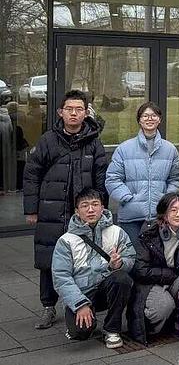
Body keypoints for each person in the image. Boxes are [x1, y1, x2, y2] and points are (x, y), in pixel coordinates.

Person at [24, 90, 107, 330]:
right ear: (61, 112)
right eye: (69, 109)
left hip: (82, 211)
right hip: (52, 209)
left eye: (79, 109)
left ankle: (82, 302)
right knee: (49, 257)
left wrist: (99, 207)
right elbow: (31, 174)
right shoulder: (48, 140)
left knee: (84, 256)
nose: (74, 113)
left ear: (86, 113)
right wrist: (31, 209)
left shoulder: (94, 142)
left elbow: (101, 177)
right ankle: (48, 306)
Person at [50, 188, 135, 349]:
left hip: (106, 288)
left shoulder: (116, 232)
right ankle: (85, 316)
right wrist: (80, 304)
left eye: (95, 204)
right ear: (77, 211)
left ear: (102, 208)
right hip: (81, 292)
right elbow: (61, 277)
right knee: (80, 333)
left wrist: (119, 264)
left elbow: (131, 258)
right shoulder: (66, 240)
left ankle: (112, 329)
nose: (90, 209)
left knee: (122, 279)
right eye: (85, 205)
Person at [128, 191, 179, 344]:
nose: (178, 214)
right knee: (163, 307)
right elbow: (141, 270)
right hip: (151, 282)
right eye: (173, 210)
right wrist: (172, 275)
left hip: (176, 280)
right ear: (164, 213)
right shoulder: (149, 232)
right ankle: (160, 323)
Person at [105, 102, 179, 248]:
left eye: (153, 115)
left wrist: (167, 199)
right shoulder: (124, 149)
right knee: (132, 255)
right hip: (131, 216)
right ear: (139, 120)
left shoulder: (170, 149)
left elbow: (175, 179)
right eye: (145, 116)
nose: (149, 119)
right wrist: (127, 197)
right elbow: (112, 178)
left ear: (159, 119)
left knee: (158, 256)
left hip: (160, 215)